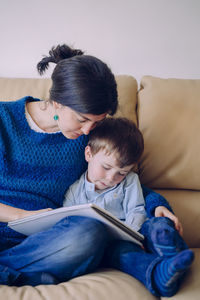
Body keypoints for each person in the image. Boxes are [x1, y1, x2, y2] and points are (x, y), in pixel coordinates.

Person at [0, 43, 193, 295]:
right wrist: (18, 216)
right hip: (6, 227)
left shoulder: (88, 138)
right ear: (58, 102)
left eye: (97, 121)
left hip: (52, 240)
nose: (89, 130)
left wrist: (158, 206)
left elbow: (118, 179)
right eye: (82, 119)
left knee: (90, 233)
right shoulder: (4, 119)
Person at [62, 117, 194, 297]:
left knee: (158, 224)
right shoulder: (74, 191)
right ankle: (162, 273)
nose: (111, 178)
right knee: (122, 255)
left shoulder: (130, 181)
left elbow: (136, 210)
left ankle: (168, 247)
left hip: (136, 232)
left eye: (121, 172)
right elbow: (67, 222)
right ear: (89, 154)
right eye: (106, 167)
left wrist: (134, 236)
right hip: (109, 244)